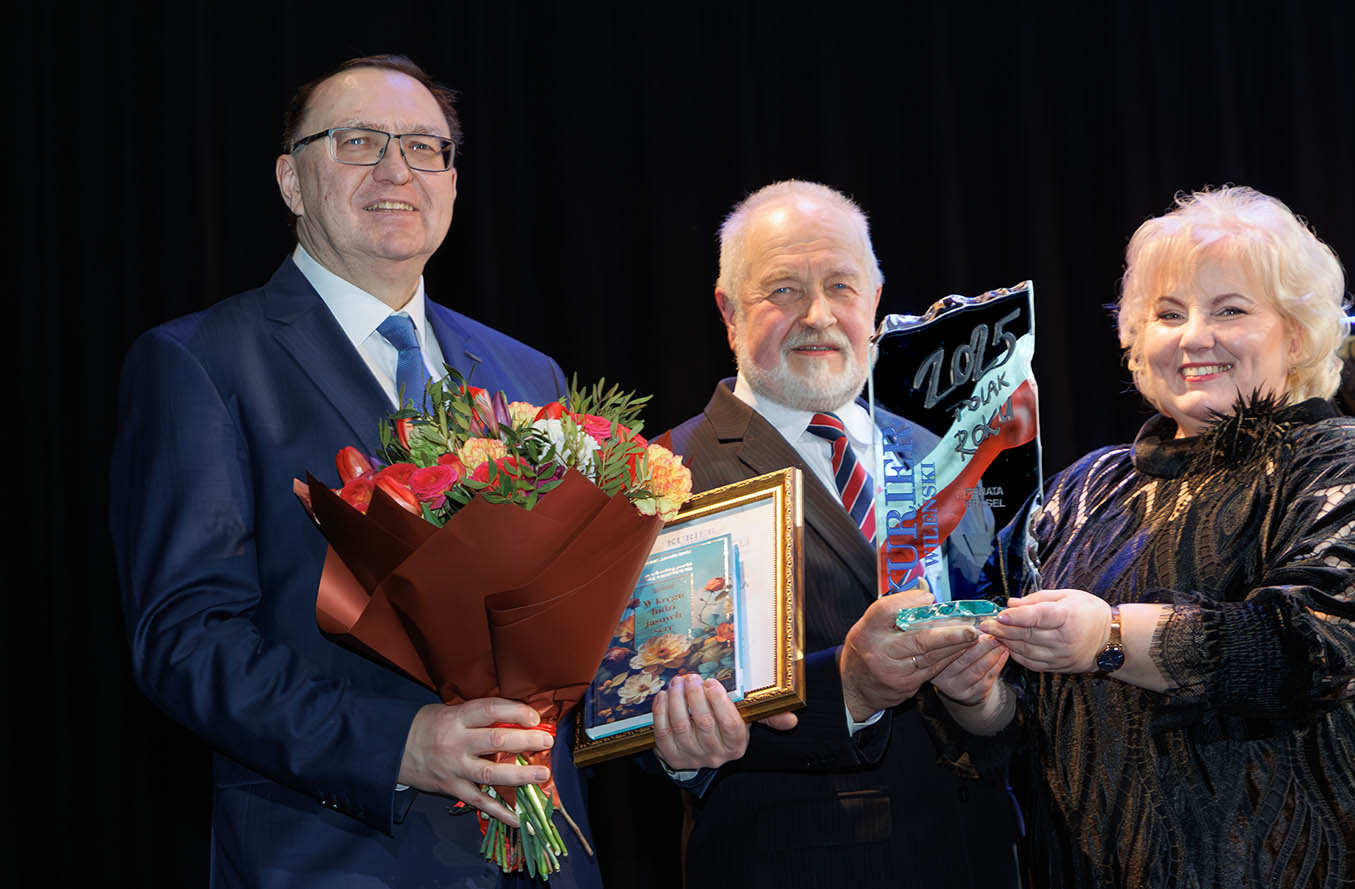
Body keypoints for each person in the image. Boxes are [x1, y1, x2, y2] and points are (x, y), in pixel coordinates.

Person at [110, 55, 600, 888]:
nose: (396, 170)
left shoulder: (530, 375)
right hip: (336, 857)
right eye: (359, 142)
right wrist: (398, 743)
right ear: (291, 181)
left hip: (543, 861)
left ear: (451, 178)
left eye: (423, 146)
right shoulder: (200, 362)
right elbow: (186, 640)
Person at [956, 186, 1355, 888]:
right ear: (1134, 338)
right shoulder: (1080, 491)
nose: (1193, 337)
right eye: (1168, 313)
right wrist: (978, 696)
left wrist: (1111, 635)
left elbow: (1326, 641)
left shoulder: (1343, 462)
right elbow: (1028, 719)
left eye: (1231, 310)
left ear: (1296, 335)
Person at [640, 180, 1020, 888]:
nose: (817, 316)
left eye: (841, 286)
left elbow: (1005, 695)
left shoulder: (942, 452)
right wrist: (847, 689)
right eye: (783, 290)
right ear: (728, 312)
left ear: (874, 300)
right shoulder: (668, 472)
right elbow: (639, 713)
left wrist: (986, 701)